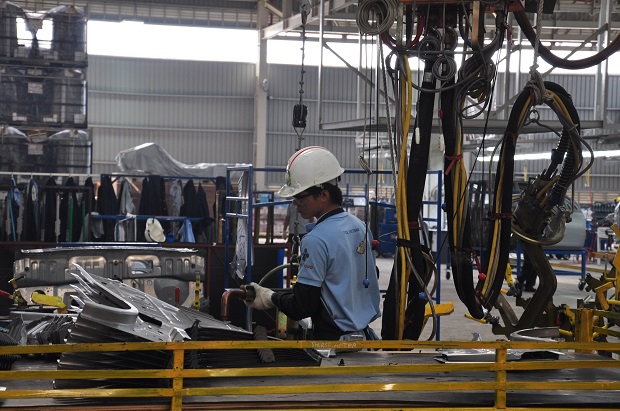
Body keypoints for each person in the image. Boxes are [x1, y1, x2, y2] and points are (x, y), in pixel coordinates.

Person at [245, 146, 381, 340]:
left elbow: (302, 306)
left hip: (332, 343)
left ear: (323, 195)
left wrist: (269, 297)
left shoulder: (315, 240)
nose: (295, 203)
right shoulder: (359, 227)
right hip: (364, 338)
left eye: (300, 197)